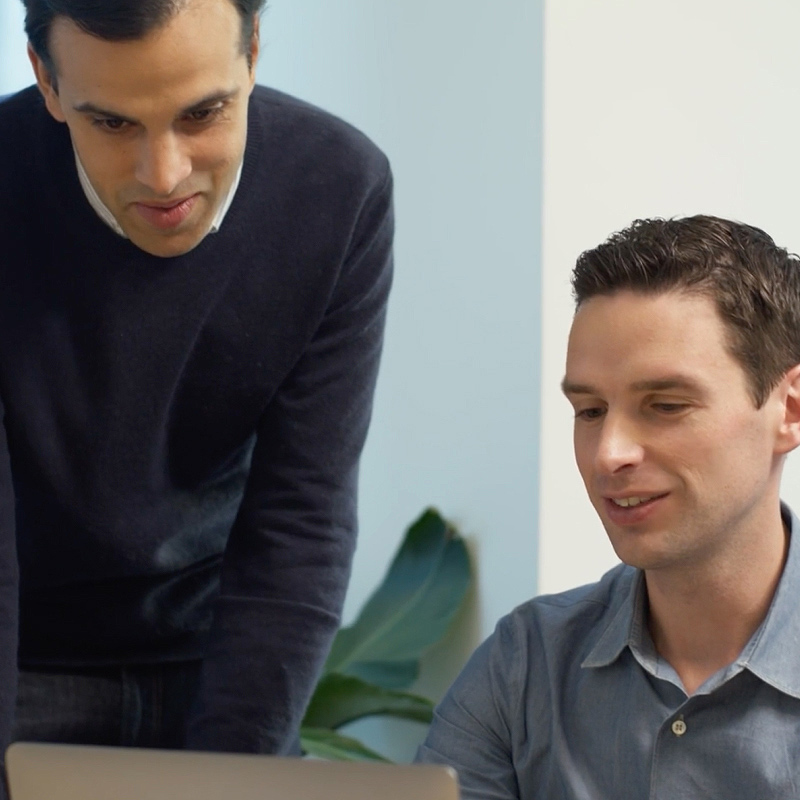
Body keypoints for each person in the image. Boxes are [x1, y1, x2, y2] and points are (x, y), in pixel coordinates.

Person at [0, 0, 393, 783]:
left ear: (252, 52)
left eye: (203, 113)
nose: (165, 174)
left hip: (217, 657)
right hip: (27, 663)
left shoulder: (338, 188)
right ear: (46, 81)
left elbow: (301, 515)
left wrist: (232, 782)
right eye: (112, 124)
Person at [417, 215, 800, 797]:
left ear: (789, 410)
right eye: (590, 411)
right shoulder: (527, 664)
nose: (607, 455)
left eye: (666, 405)